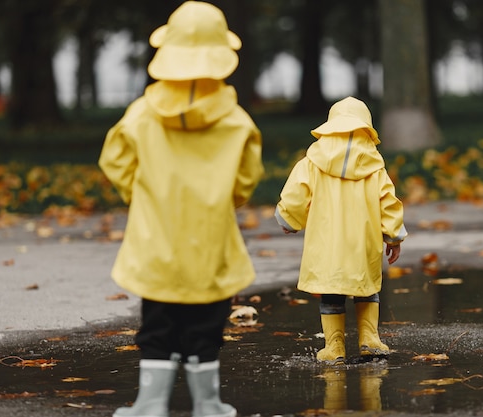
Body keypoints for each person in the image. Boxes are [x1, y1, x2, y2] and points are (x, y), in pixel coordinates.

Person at [98, 2, 263, 417]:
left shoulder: (140, 116)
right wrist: (225, 199)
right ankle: (208, 404)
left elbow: (115, 161)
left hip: (156, 243)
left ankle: (150, 405)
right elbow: (246, 179)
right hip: (211, 245)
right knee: (207, 328)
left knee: (156, 325)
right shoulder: (239, 122)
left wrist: (141, 193)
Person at [275, 96, 407, 365]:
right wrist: (393, 235)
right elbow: (388, 202)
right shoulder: (374, 166)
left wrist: (289, 219)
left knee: (331, 293)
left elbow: (295, 194)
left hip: (327, 246)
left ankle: (334, 347)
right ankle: (369, 338)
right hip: (363, 244)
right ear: (366, 129)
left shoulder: (312, 162)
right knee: (367, 288)